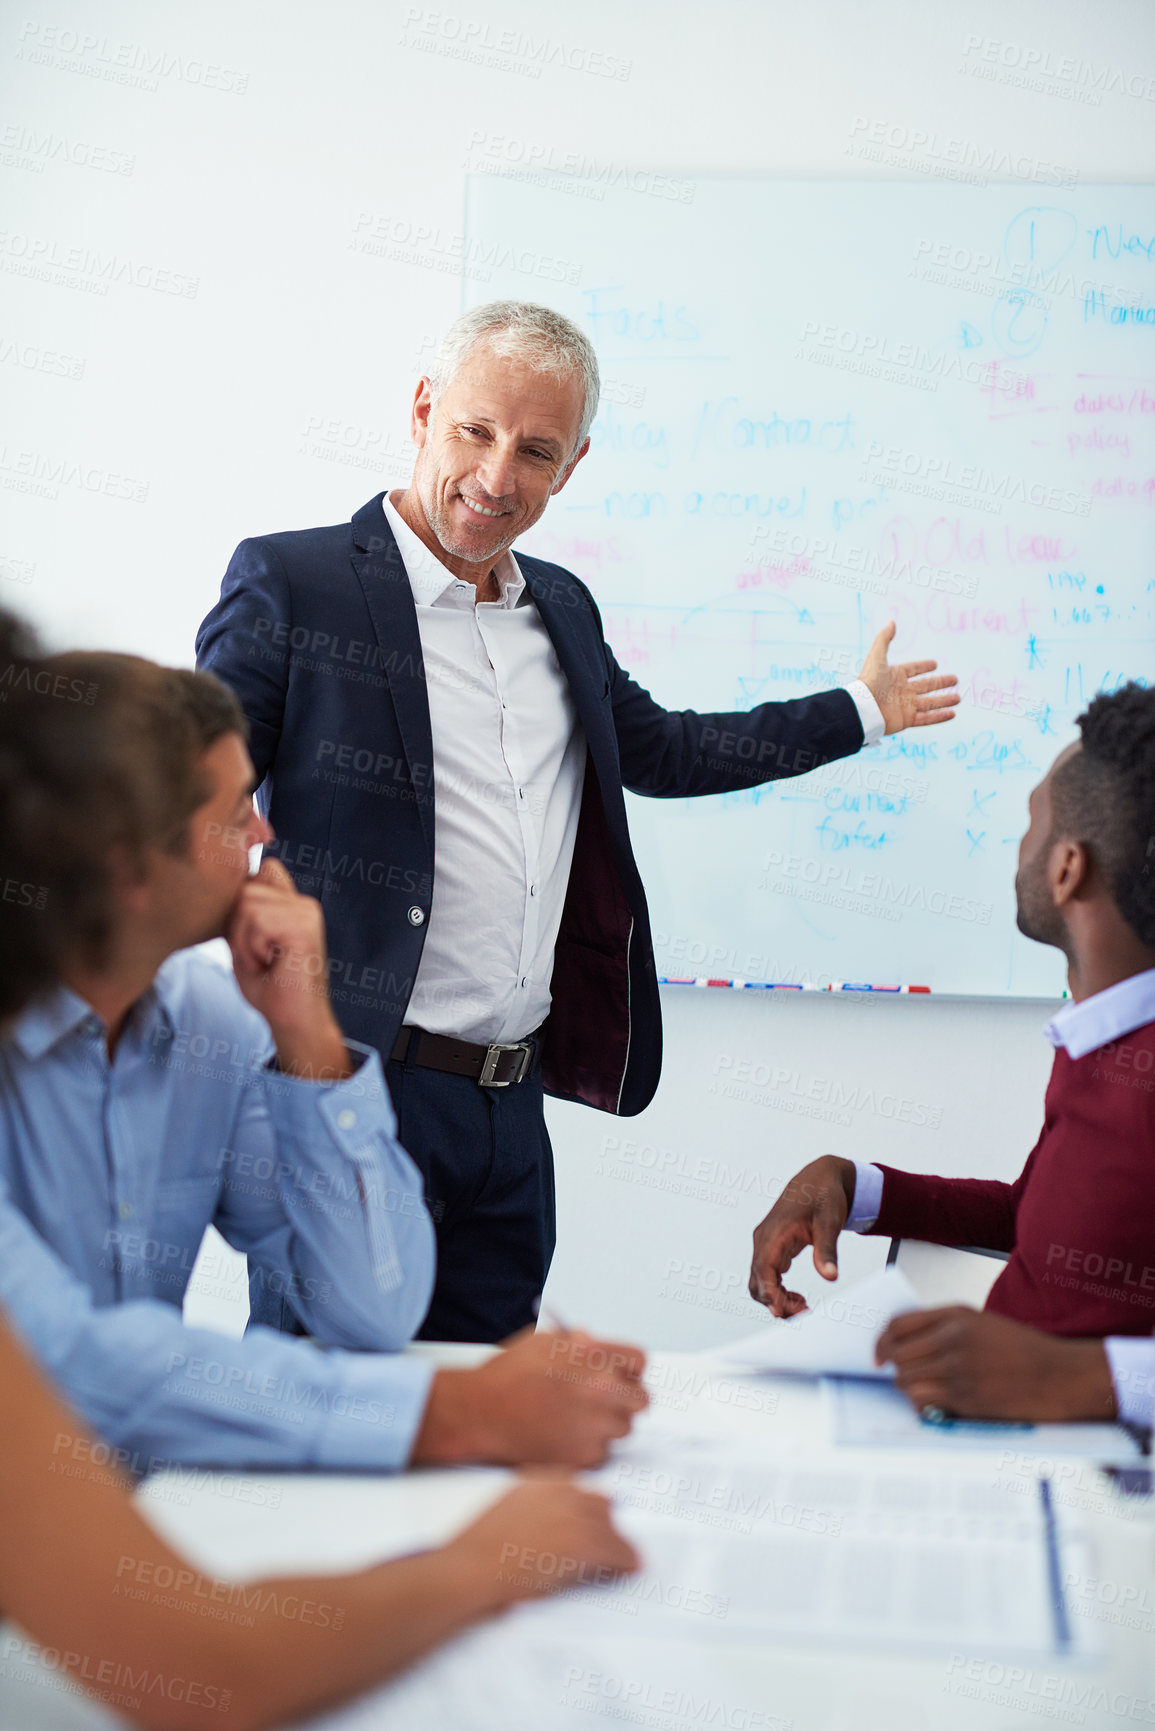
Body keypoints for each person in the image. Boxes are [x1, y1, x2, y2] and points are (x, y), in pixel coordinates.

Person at [197, 298, 960, 1342]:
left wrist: (861, 710)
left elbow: (663, 750)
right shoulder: (297, 583)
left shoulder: (560, 604)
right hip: (357, 1088)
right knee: (327, 1417)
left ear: (574, 464)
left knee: (493, 1432)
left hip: (511, 1111)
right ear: (423, 411)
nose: (497, 476)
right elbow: (194, 774)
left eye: (537, 450)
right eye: (474, 430)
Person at [0, 606, 638, 1731]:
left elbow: (369, 1309)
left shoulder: (211, 1023)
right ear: (130, 872)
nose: (264, 834)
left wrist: (309, 1039)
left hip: (148, 1541)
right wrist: (456, 1412)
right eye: (233, 808)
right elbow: (72, 1366)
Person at [748, 684, 1155, 1427]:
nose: (1018, 847)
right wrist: (856, 1185)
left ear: (1066, 870)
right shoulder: (1099, 1043)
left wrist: (1083, 1376)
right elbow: (1036, 1220)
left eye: (1031, 823)